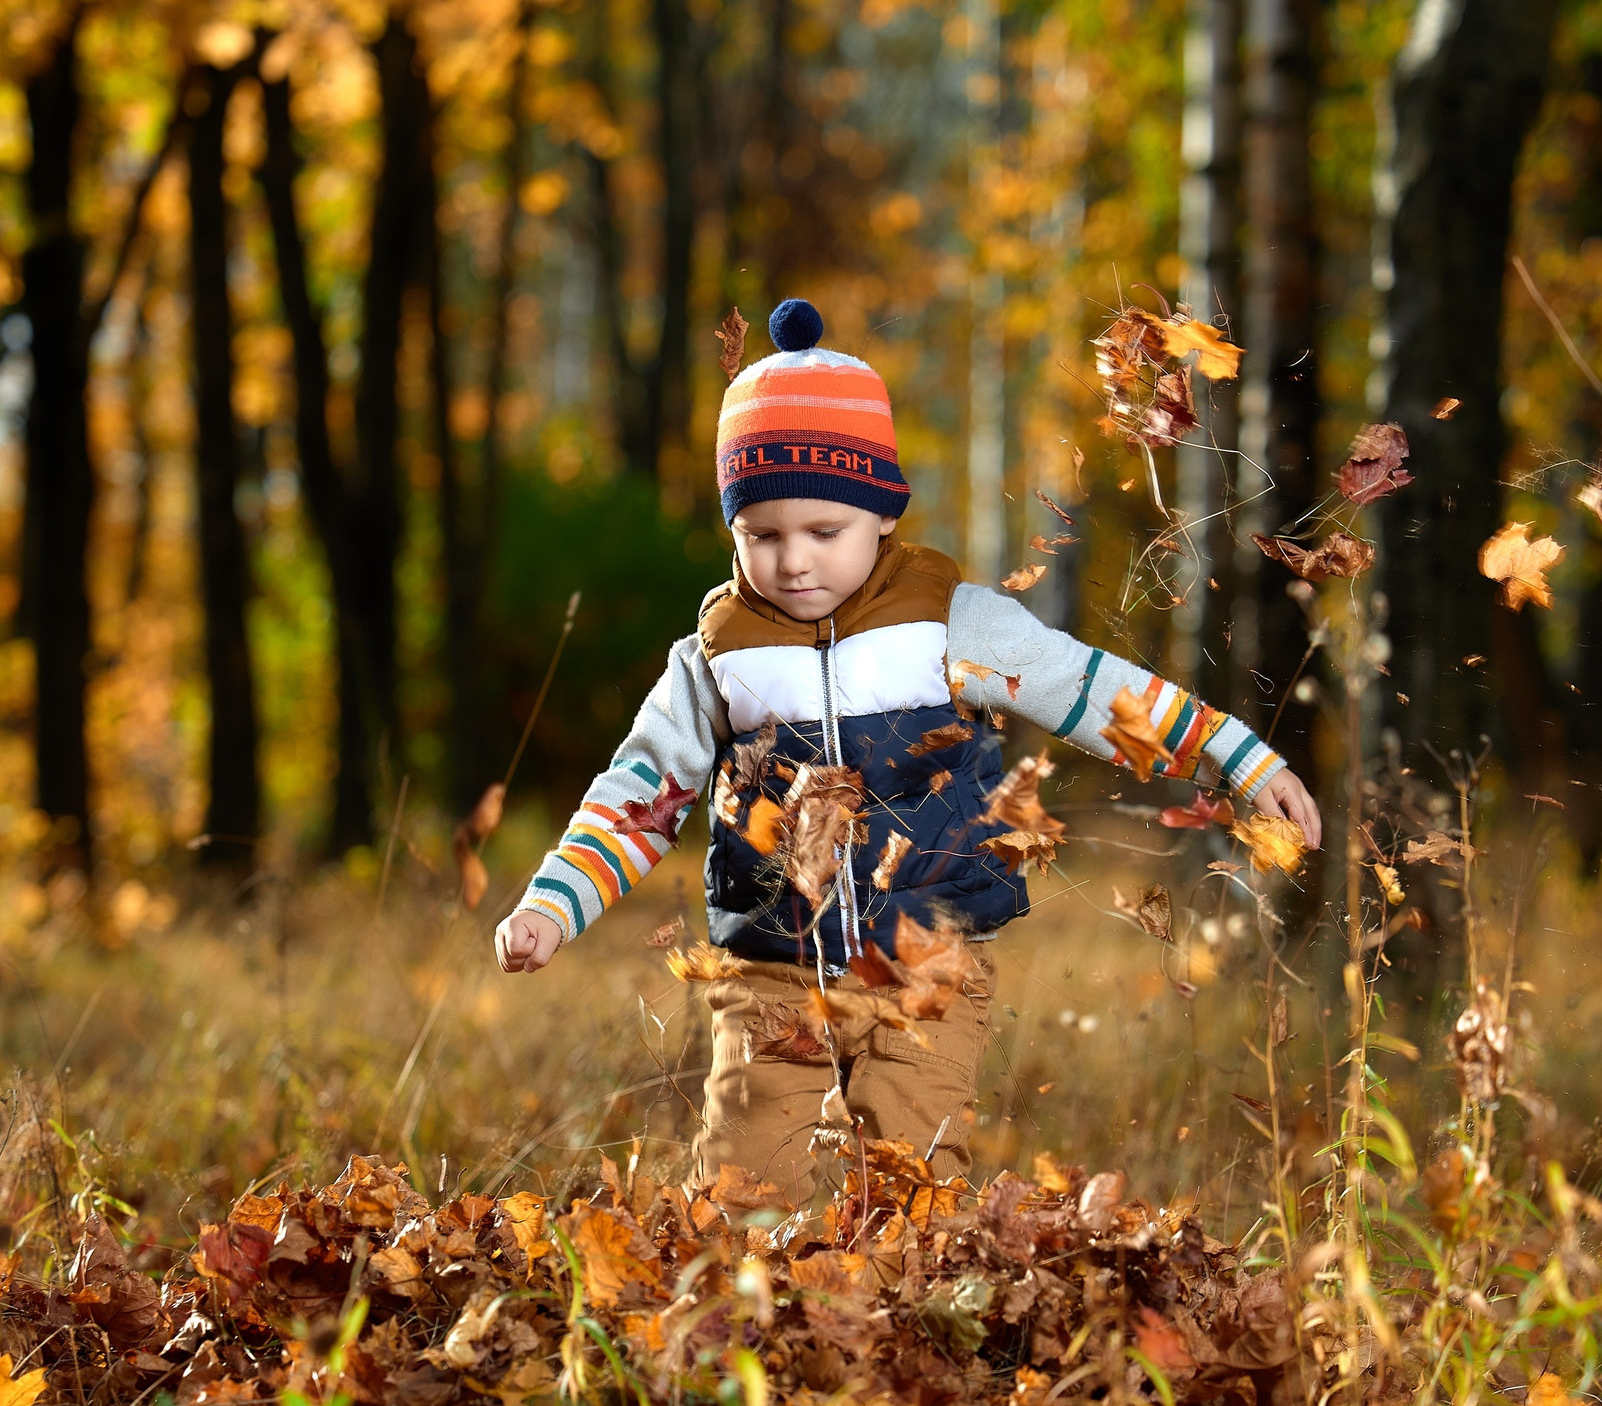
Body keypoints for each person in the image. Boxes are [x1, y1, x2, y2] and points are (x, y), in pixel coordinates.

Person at [493, 298, 1320, 1200]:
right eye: (761, 535)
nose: (794, 561)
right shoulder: (718, 657)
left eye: (823, 532)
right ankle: (744, 1318)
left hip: (927, 965)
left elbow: (1094, 691)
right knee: (745, 1176)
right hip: (771, 968)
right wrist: (554, 904)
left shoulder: (951, 624)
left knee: (910, 1179)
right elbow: (640, 789)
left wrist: (1239, 757)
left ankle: (900, 1322)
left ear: (882, 514)